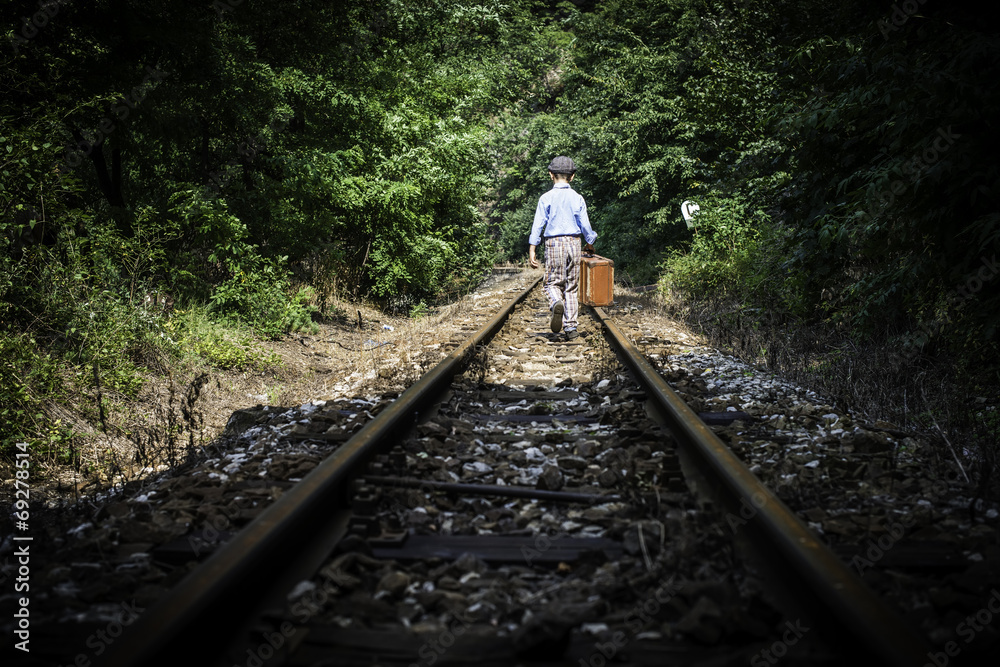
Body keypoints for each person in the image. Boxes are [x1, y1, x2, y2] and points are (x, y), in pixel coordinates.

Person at [528, 155, 598, 340]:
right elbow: (585, 224)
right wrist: (589, 242)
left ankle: (556, 302)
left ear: (550, 175)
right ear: (572, 176)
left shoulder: (546, 198)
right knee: (571, 287)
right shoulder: (577, 198)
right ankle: (571, 328)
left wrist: (532, 248)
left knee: (552, 282)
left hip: (553, 243)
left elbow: (538, 224)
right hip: (574, 242)